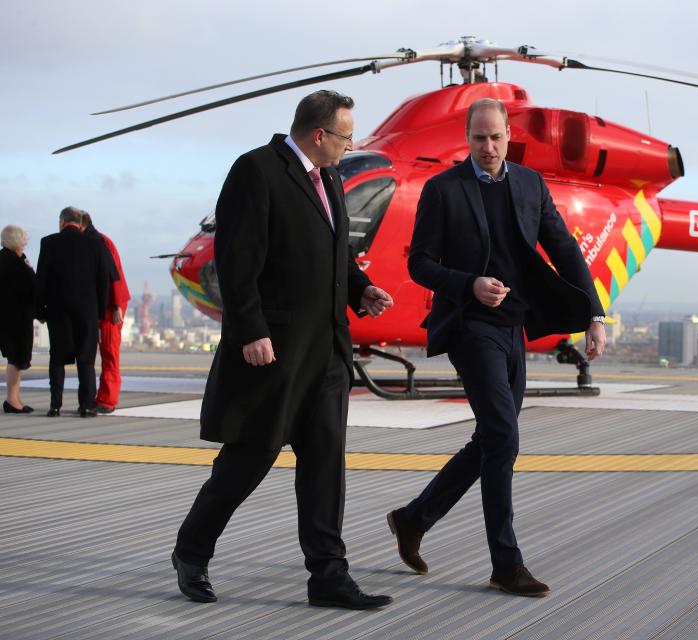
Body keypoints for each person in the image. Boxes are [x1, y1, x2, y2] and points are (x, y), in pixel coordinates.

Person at [172, 90, 395, 610]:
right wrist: (250, 330)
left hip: (329, 352)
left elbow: (335, 249)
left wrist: (360, 288)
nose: (350, 144)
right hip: (274, 349)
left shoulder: (333, 178)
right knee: (249, 458)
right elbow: (235, 258)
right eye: (346, 135)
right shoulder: (257, 170)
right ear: (319, 135)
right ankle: (191, 550)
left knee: (324, 465)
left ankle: (329, 578)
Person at [387, 98, 606, 597]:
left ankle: (413, 518)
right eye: (479, 138)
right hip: (468, 325)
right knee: (505, 437)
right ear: (468, 139)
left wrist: (593, 314)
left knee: (491, 437)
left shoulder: (530, 184)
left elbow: (565, 249)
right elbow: (419, 264)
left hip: (514, 325)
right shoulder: (443, 190)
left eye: (496, 138)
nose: (488, 147)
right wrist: (469, 284)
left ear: (509, 137)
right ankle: (506, 564)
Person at [35, 207, 110, 418]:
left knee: (58, 358)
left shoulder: (48, 243)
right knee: (86, 359)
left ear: (61, 222)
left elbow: (42, 280)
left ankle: (55, 405)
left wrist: (40, 310)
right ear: (80, 223)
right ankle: (86, 405)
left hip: (58, 311)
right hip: (87, 311)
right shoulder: (95, 243)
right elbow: (103, 279)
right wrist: (100, 312)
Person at [80, 213, 130, 414]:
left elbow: (113, 274)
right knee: (107, 351)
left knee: (109, 351)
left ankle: (108, 399)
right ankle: (104, 396)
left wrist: (117, 305)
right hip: (107, 304)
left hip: (111, 307)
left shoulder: (100, 243)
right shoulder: (99, 241)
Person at [1, 224, 36, 414]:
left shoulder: (16, 259)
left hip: (16, 317)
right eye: (23, 239)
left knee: (16, 359)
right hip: (14, 319)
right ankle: (12, 401)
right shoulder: (10, 262)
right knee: (16, 358)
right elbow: (25, 288)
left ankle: (14, 400)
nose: (25, 243)